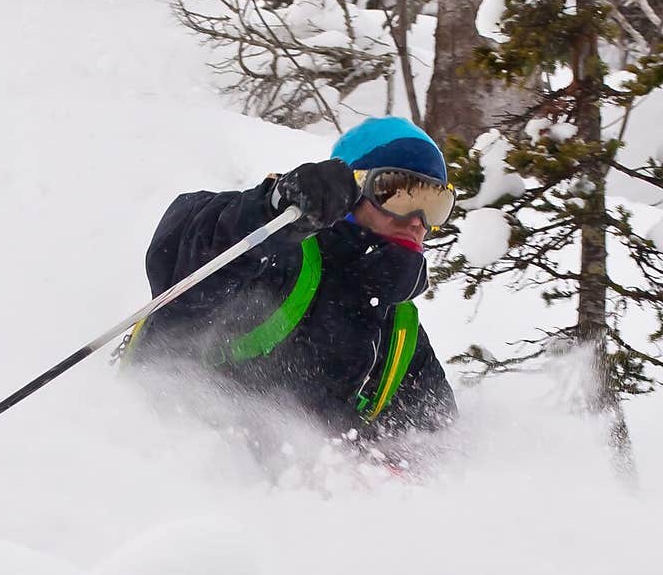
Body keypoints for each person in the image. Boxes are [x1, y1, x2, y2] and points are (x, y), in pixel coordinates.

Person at [125, 116, 458, 444]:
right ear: (350, 192)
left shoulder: (401, 333)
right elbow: (183, 254)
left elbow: (439, 450)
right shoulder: (280, 260)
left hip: (282, 496)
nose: (419, 221)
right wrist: (268, 210)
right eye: (399, 194)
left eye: (435, 203)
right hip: (158, 467)